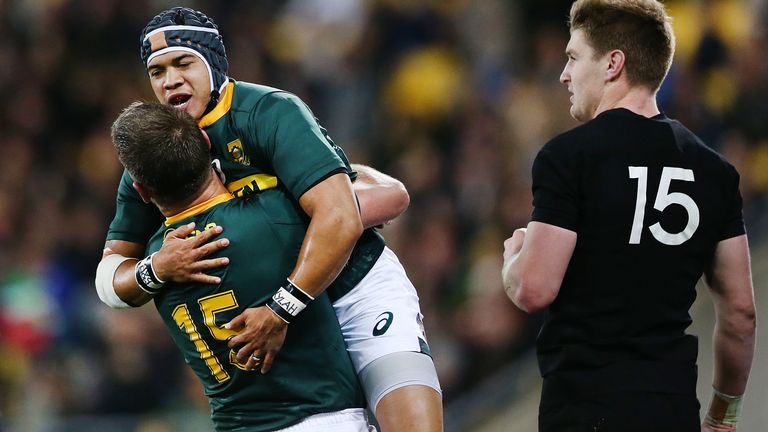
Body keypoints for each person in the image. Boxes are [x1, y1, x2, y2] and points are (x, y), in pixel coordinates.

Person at [94, 7, 443, 431]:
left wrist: (281, 309)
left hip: (353, 288)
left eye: (182, 63)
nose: (170, 81)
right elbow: (109, 276)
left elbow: (351, 213)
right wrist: (156, 268)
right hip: (277, 324)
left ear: (213, 63)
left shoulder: (267, 111)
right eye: (157, 71)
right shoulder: (153, 162)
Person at [501, 1, 756, 431]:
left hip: (583, 408)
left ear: (612, 64)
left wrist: (514, 258)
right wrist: (723, 414)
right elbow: (741, 313)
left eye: (573, 57)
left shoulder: (569, 157)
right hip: (671, 409)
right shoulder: (715, 172)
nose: (564, 74)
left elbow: (533, 288)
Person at [111, 100, 370, 431]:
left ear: (143, 192)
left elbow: (118, 280)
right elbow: (381, 200)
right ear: (208, 144)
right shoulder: (277, 214)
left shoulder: (158, 259)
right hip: (324, 419)